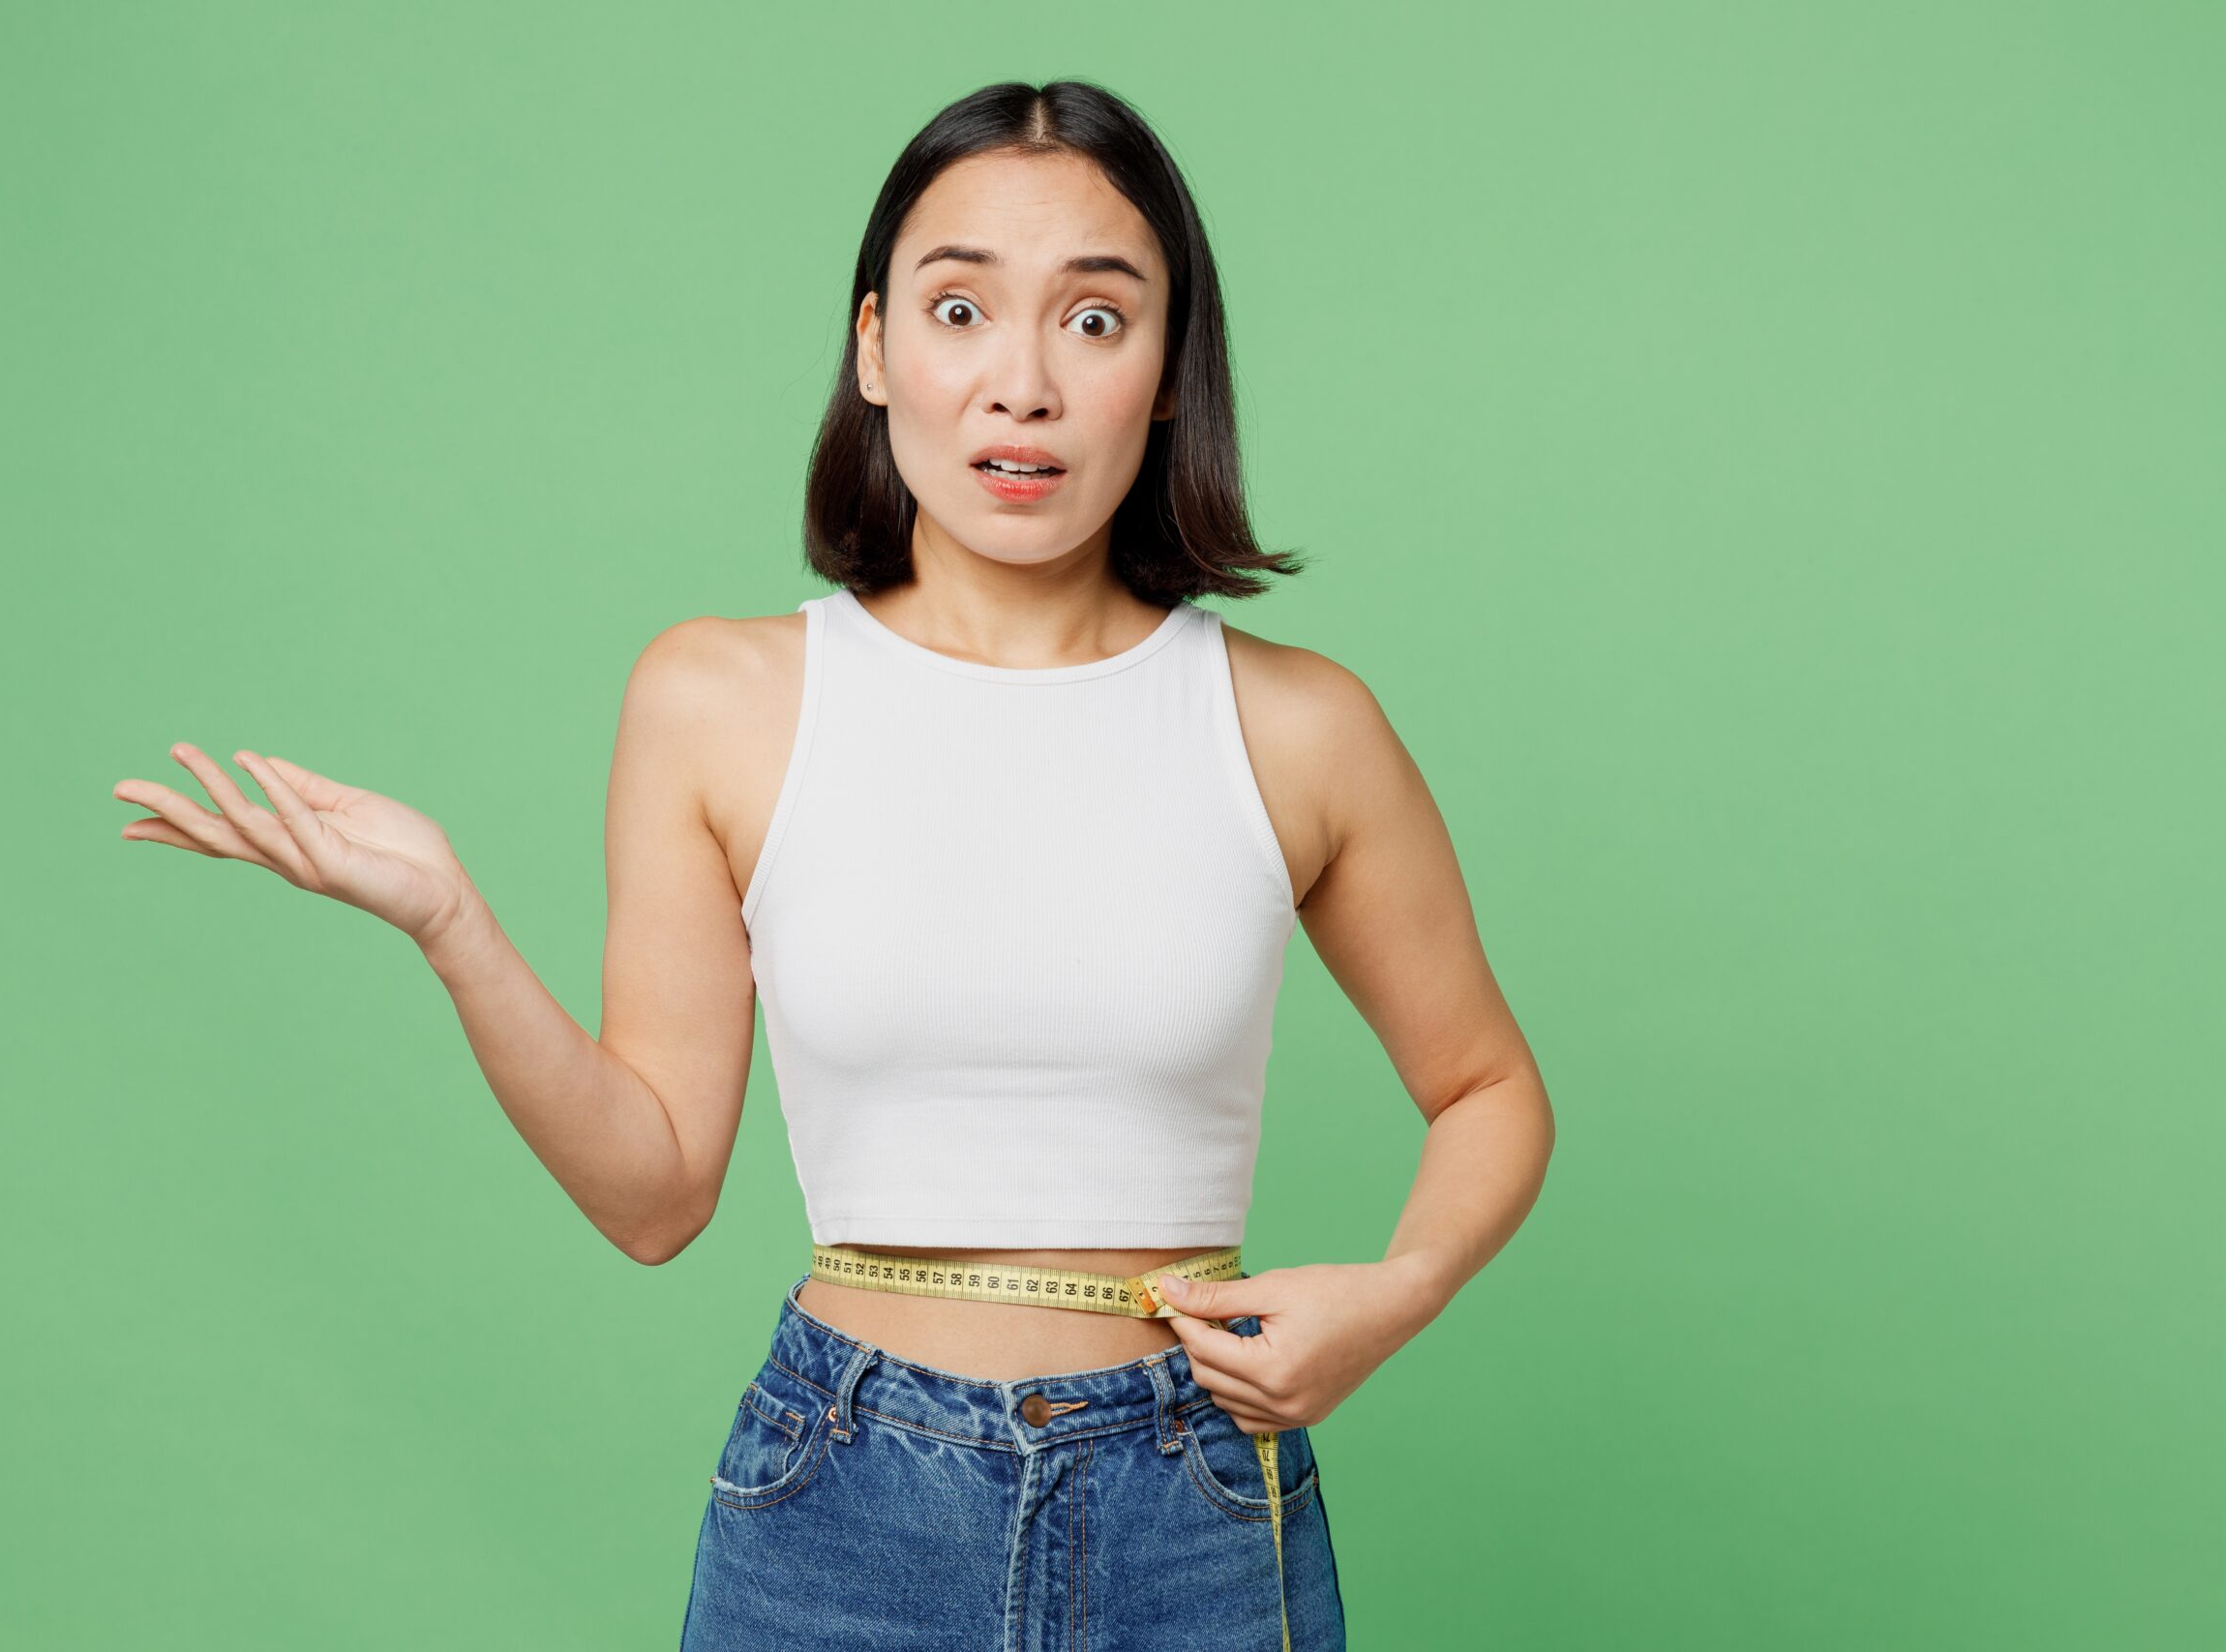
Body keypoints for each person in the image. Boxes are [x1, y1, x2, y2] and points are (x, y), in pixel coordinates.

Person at [110, 77, 1553, 1651]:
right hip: (843, 1504)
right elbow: (655, 1194)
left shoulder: (1296, 726)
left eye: (1094, 320)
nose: (1021, 387)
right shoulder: (719, 699)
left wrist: (1395, 1295)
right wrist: (451, 921)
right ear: (875, 348)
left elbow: (1487, 1085)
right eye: (959, 310)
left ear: (1165, 373)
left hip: (1193, 1504)